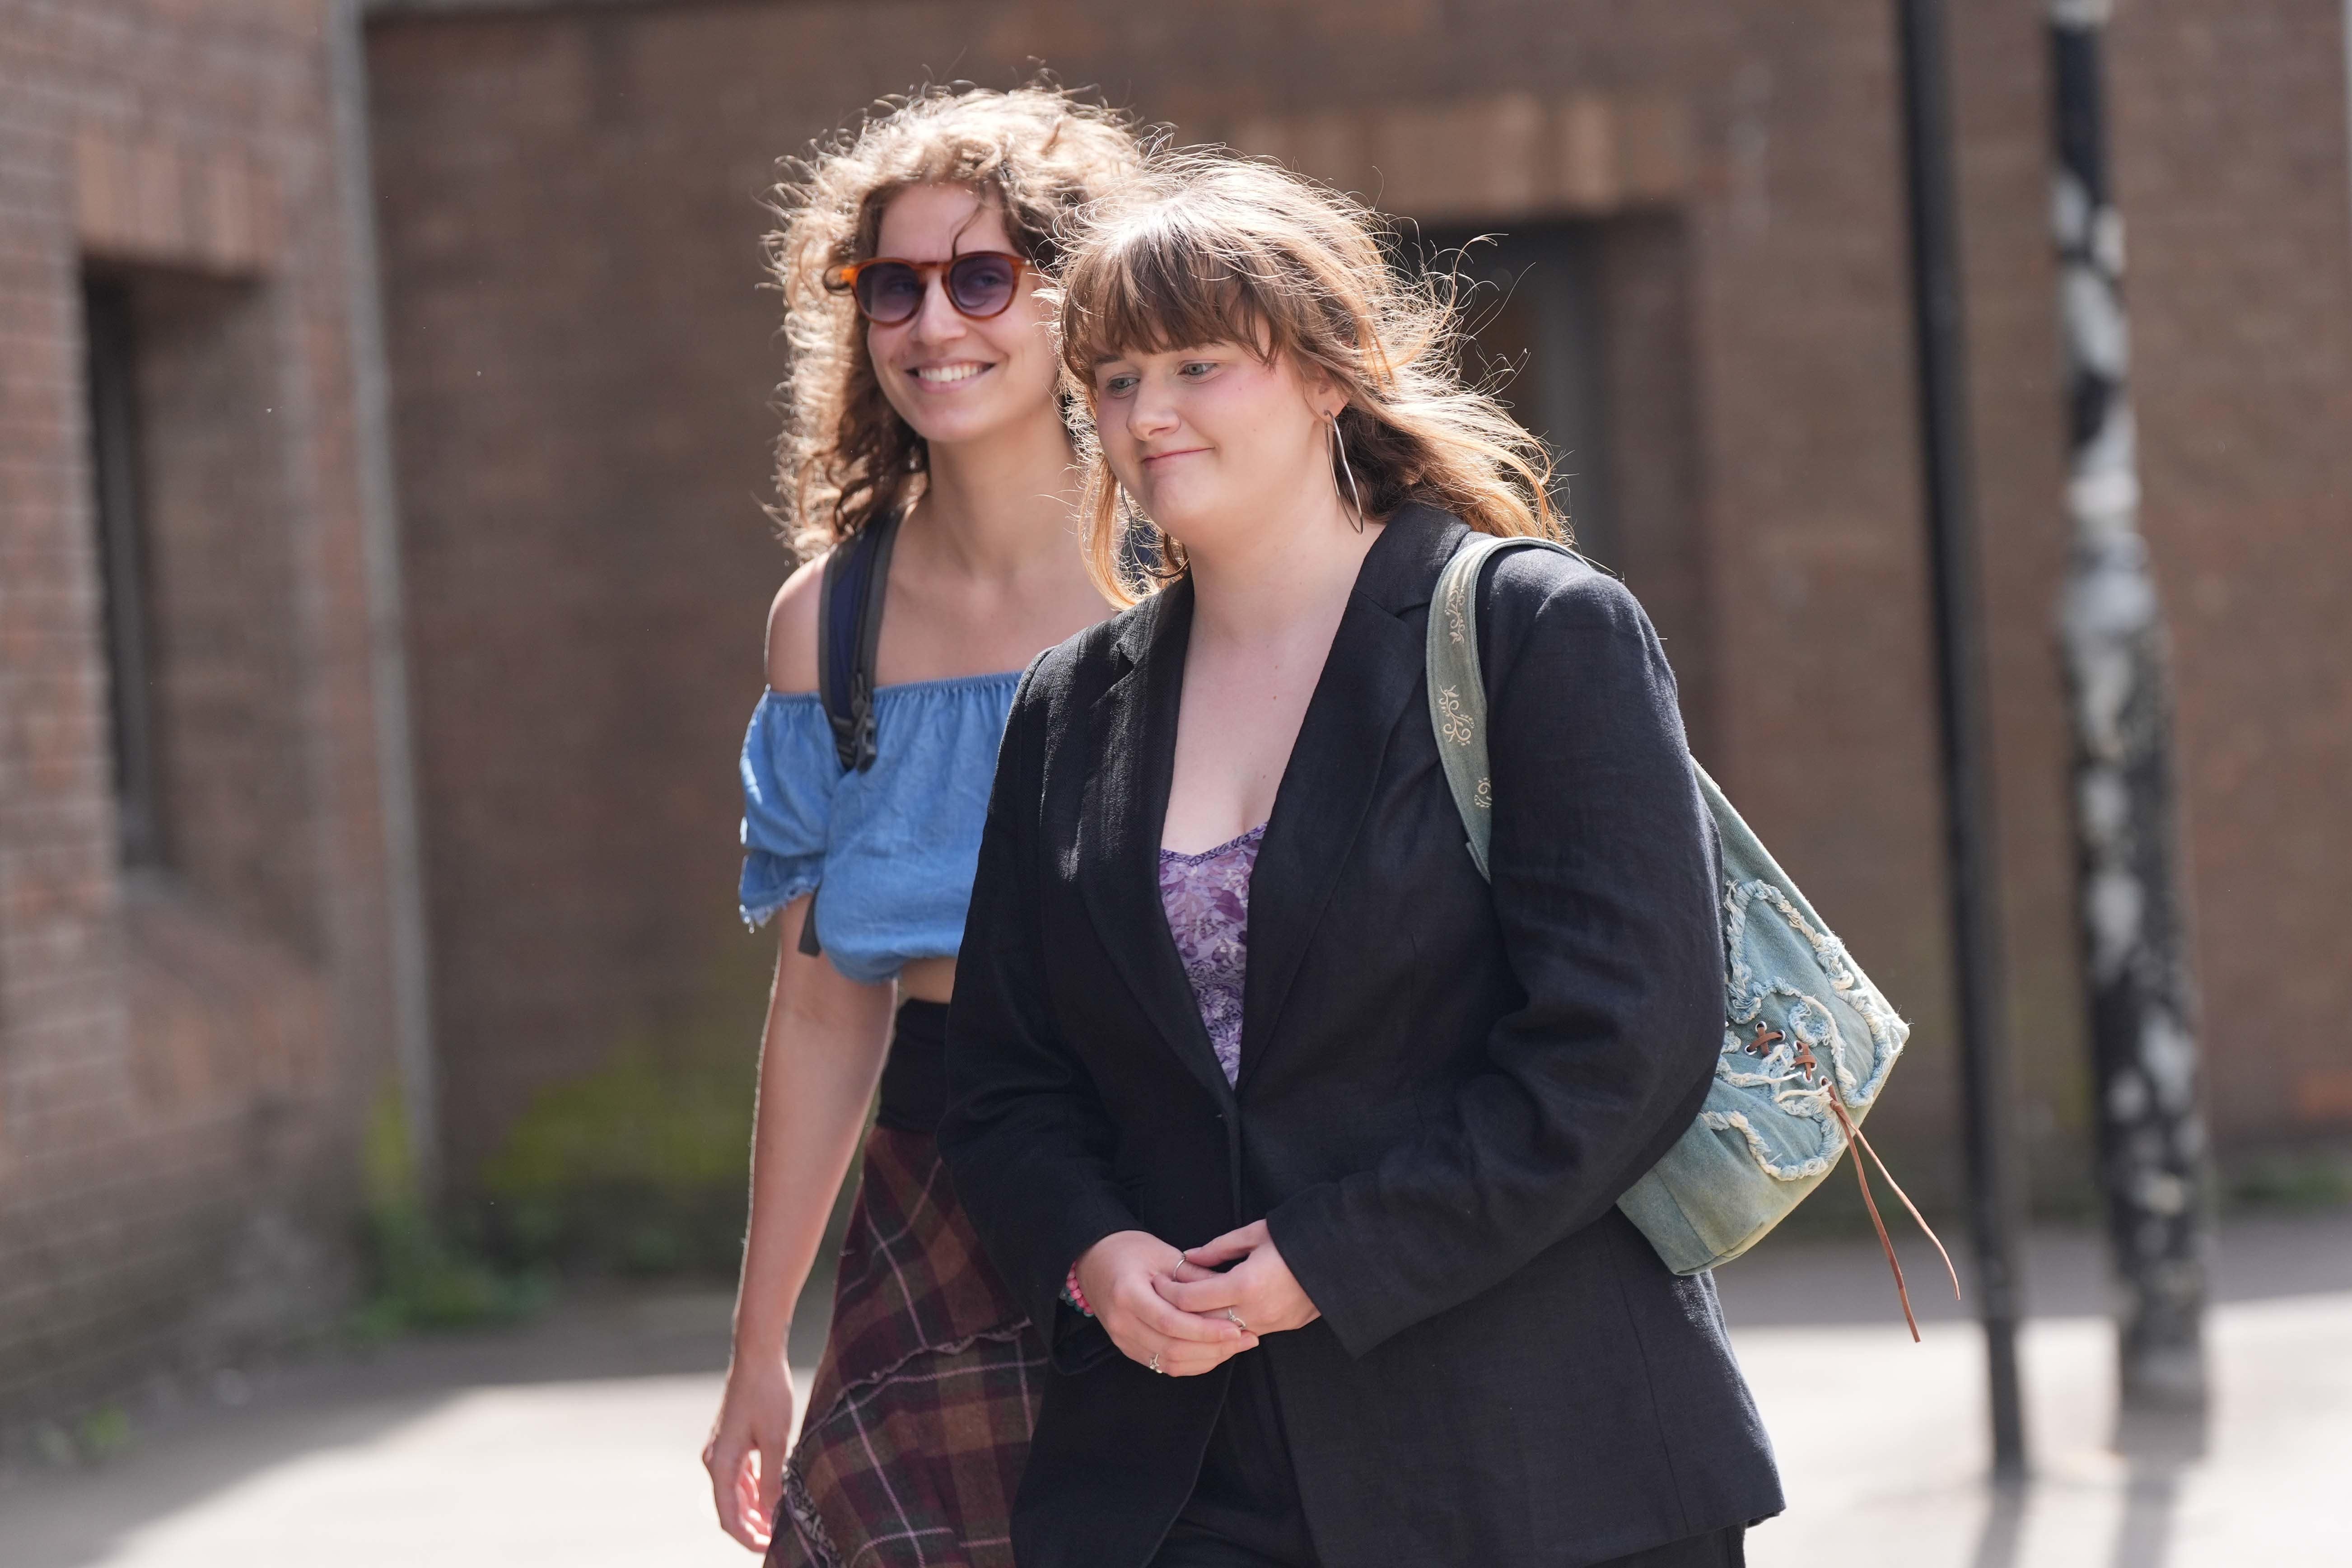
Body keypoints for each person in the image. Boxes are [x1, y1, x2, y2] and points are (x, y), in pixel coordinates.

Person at [938, 151, 1784, 1568]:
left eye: (1199, 364)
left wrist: (1331, 1261)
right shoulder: (1067, 707)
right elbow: (1006, 1080)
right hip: (1175, 1471)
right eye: (1115, 380)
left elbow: (1626, 1045)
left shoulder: (1534, 632)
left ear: (1327, 374)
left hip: (1528, 1464)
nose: (1149, 415)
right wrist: (1092, 1255)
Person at [701, 87, 1139, 1566]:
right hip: (939, 1171)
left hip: (1171, 1140)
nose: (933, 321)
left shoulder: (1196, 569)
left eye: (982, 275)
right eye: (892, 284)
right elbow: (829, 1006)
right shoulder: (830, 621)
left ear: (1078, 297)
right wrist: (762, 1345)